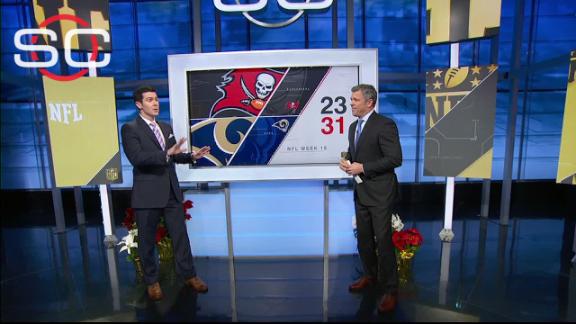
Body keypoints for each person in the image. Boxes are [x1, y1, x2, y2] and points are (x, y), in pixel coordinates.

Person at [121, 85, 211, 301]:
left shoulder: (164, 126)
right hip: (148, 193)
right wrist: (166, 154)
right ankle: (151, 282)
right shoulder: (130, 129)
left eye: (156, 99)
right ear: (138, 104)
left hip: (171, 191)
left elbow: (173, 155)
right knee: (147, 241)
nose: (155, 103)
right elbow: (138, 159)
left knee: (181, 236)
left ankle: (189, 275)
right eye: (150, 100)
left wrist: (191, 156)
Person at [339, 84, 402, 313]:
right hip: (361, 192)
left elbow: (395, 159)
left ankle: (390, 289)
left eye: (355, 99)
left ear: (369, 102)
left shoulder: (385, 125)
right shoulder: (353, 126)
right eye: (351, 98)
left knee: (383, 243)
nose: (351, 103)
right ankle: (370, 276)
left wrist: (363, 167)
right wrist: (345, 160)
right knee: (364, 240)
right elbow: (354, 151)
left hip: (381, 194)